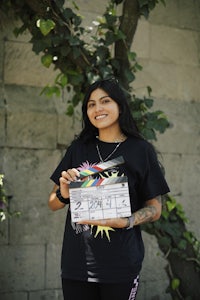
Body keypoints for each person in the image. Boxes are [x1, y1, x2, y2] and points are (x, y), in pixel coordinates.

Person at [48, 78, 170, 300]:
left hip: (121, 265)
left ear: (120, 106)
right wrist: (63, 194)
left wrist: (126, 221)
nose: (98, 108)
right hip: (77, 265)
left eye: (105, 101)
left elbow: (155, 209)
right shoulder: (78, 148)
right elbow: (52, 203)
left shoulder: (140, 150)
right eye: (91, 104)